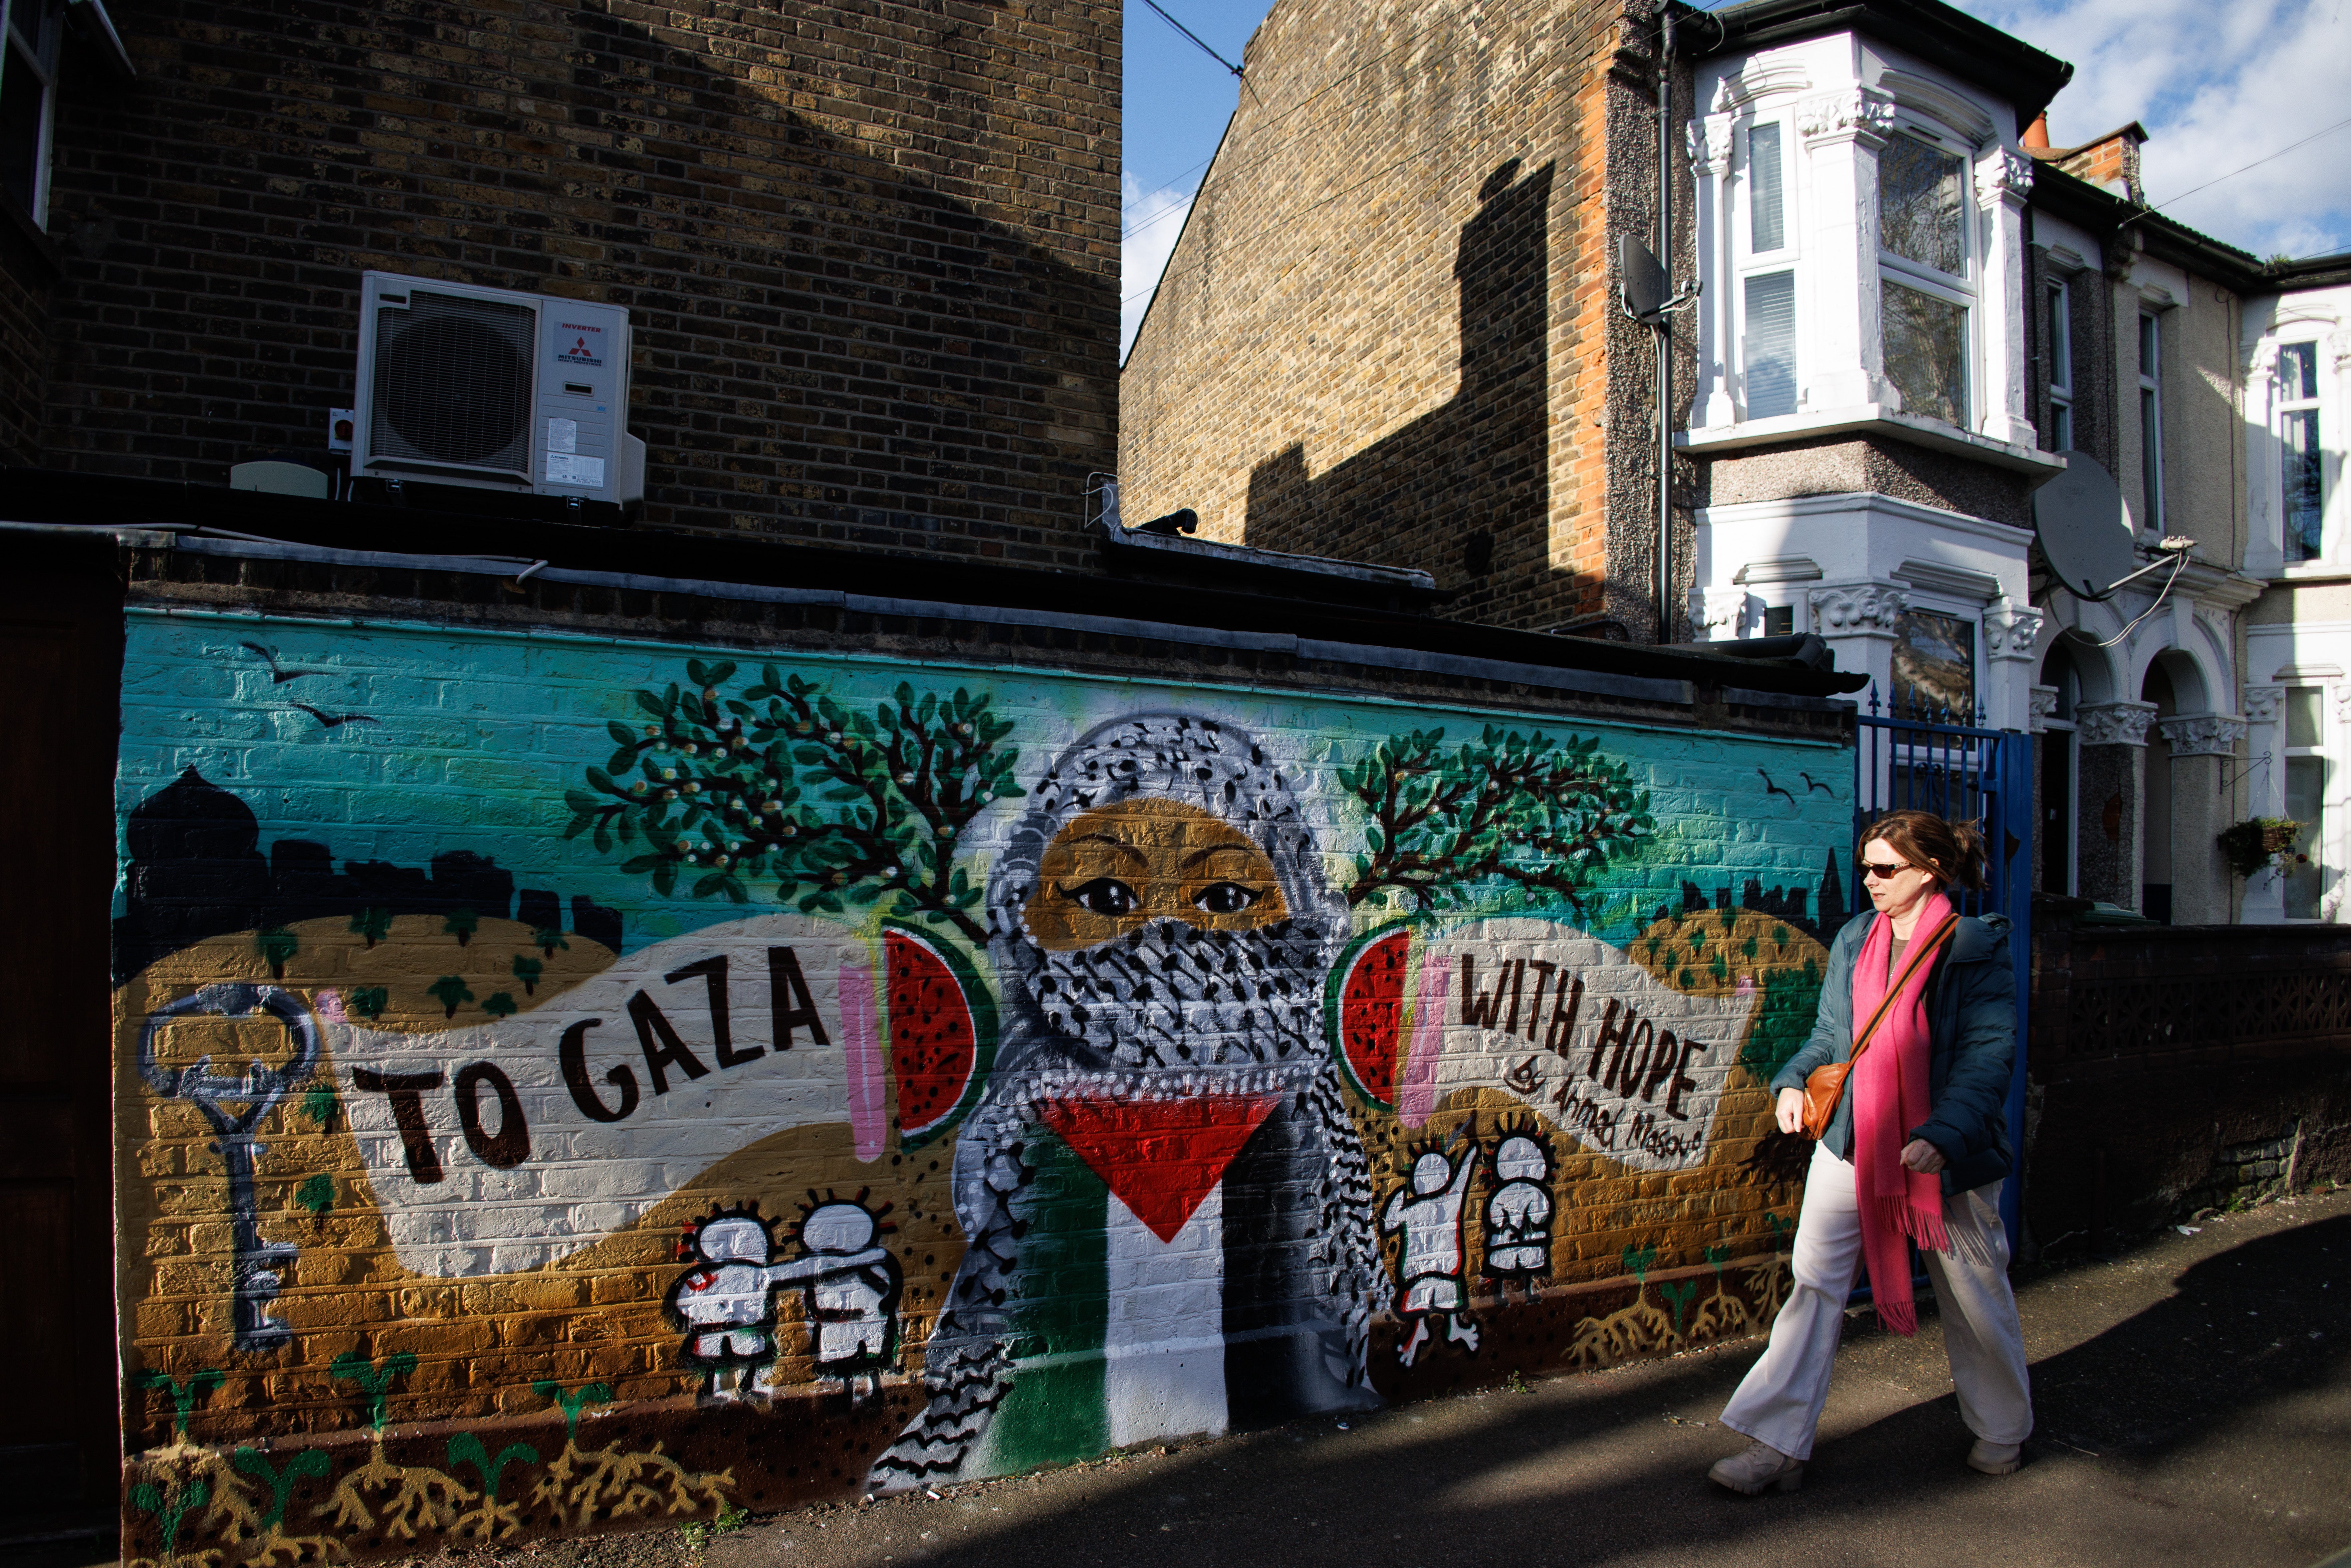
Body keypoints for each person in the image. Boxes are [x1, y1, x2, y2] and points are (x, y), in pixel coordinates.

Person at [1707, 809, 2031, 1494]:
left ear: (1931, 871)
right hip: (1852, 1136)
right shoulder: (1857, 937)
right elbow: (1832, 1034)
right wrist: (1794, 1079)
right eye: (1865, 867)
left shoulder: (1974, 946)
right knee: (1814, 1285)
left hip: (1946, 1153)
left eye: (1885, 869)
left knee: (1973, 1292)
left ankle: (2002, 1426)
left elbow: (1987, 1054)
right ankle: (1776, 1444)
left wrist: (1943, 1134)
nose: (1869, 881)